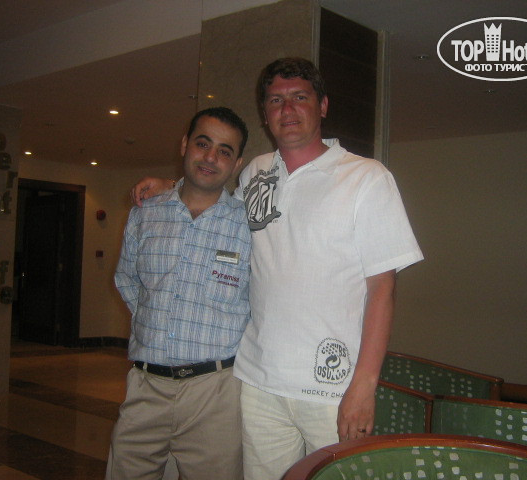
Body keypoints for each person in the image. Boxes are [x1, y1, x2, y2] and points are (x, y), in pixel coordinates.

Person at [131, 58, 423, 480]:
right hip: (258, 382)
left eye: (299, 97)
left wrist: (364, 385)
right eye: (275, 100)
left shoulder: (366, 178)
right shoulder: (254, 171)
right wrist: (170, 186)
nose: (287, 109)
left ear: (323, 105)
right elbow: (212, 199)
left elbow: (383, 289)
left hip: (332, 388)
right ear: (265, 114)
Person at [108, 107, 251, 480]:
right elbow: (128, 281)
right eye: (203, 144)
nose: (210, 157)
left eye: (224, 151)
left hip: (215, 395)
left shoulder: (249, 227)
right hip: (145, 389)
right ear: (185, 144)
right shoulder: (145, 214)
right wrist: (156, 322)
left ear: (237, 164)